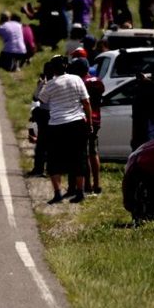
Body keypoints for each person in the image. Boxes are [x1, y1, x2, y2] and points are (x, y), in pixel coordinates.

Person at [35, 56, 91, 204]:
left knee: (54, 159)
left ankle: (57, 193)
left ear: (53, 69)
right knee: (79, 157)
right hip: (77, 122)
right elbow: (86, 102)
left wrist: (44, 84)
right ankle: (80, 192)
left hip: (57, 124)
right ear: (66, 66)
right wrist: (89, 123)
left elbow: (41, 100)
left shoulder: (51, 84)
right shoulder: (77, 79)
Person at [69, 58, 104, 195]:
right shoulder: (97, 81)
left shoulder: (80, 83)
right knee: (93, 152)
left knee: (83, 153)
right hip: (96, 120)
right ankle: (97, 184)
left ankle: (87, 185)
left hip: (84, 120)